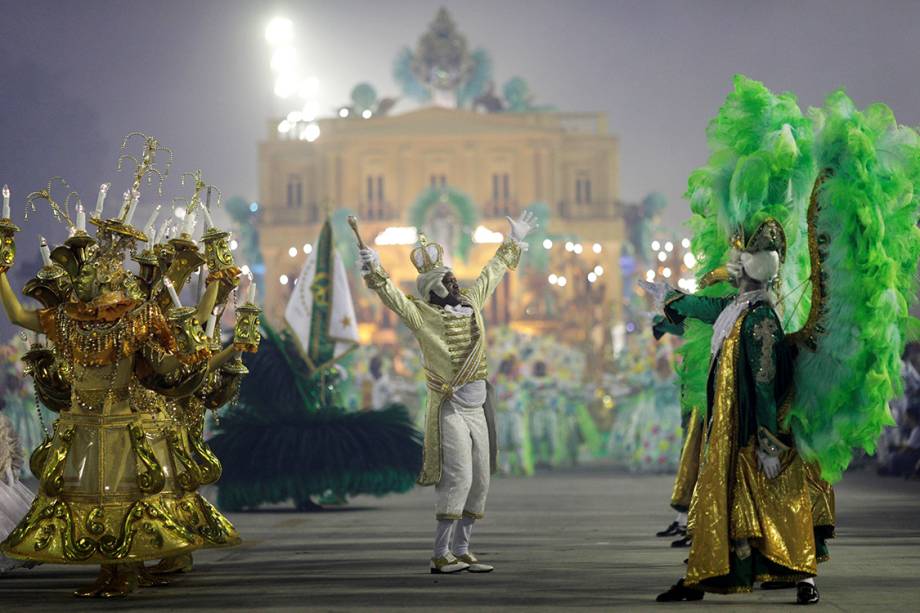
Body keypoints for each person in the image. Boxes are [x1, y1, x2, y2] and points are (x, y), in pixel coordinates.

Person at [645, 220, 822, 603]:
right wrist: (669, 296)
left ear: (744, 270)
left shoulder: (759, 319)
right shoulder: (740, 308)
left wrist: (767, 443)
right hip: (728, 430)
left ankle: (804, 575)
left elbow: (764, 384)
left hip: (746, 432)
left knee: (772, 504)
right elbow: (705, 306)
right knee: (723, 506)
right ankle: (700, 576)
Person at [358, 211, 536, 574]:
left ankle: (463, 548)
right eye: (448, 281)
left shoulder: (471, 304)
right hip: (451, 406)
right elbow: (393, 298)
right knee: (459, 476)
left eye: (453, 279)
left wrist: (513, 241)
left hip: (479, 405)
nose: (456, 284)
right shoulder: (422, 316)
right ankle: (440, 554)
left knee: (481, 478)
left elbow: (492, 274)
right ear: (433, 289)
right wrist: (375, 270)